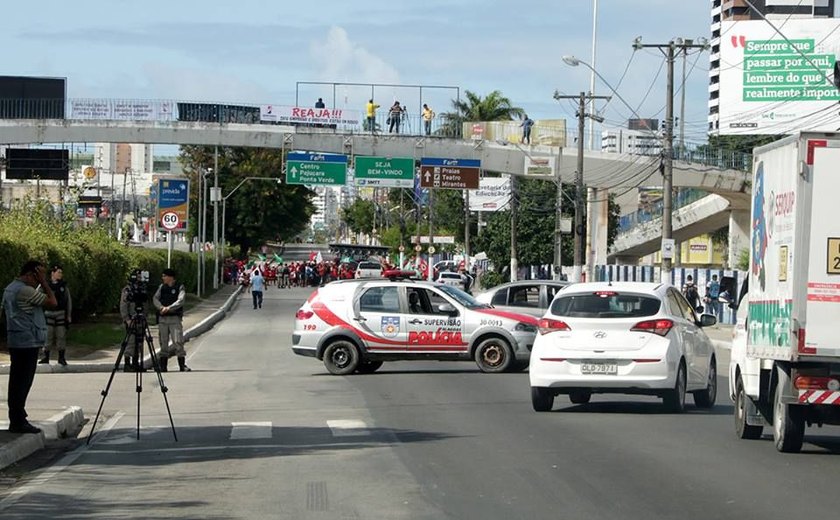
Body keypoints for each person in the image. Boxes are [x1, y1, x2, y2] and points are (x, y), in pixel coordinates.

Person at [3, 260, 57, 434]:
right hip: (27, 340)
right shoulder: (25, 290)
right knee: (23, 382)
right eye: (38, 275)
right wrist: (44, 282)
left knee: (17, 381)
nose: (39, 279)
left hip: (17, 338)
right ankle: (18, 420)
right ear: (29, 274)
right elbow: (52, 301)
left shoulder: (10, 288)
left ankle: (17, 417)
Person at [153, 268, 190, 372]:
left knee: (178, 341)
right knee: (163, 342)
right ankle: (163, 366)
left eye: (164, 276)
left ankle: (182, 365)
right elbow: (155, 298)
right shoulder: (162, 287)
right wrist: (161, 307)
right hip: (163, 319)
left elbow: (181, 300)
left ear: (170, 277)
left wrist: (169, 308)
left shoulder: (179, 287)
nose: (163, 278)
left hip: (174, 318)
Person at [41, 265, 72, 366]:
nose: (60, 274)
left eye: (61, 272)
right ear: (52, 273)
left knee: (61, 336)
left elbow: (68, 301)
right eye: (58, 272)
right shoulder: (45, 285)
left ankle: (61, 358)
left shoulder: (63, 286)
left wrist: (68, 315)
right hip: (48, 313)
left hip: (60, 314)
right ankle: (46, 357)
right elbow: (37, 297)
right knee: (47, 336)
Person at [119, 280, 142, 372]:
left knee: (139, 343)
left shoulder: (142, 289)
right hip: (131, 320)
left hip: (140, 320)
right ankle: (127, 364)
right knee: (130, 342)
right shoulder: (128, 290)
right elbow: (123, 305)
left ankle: (136, 363)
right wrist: (126, 319)